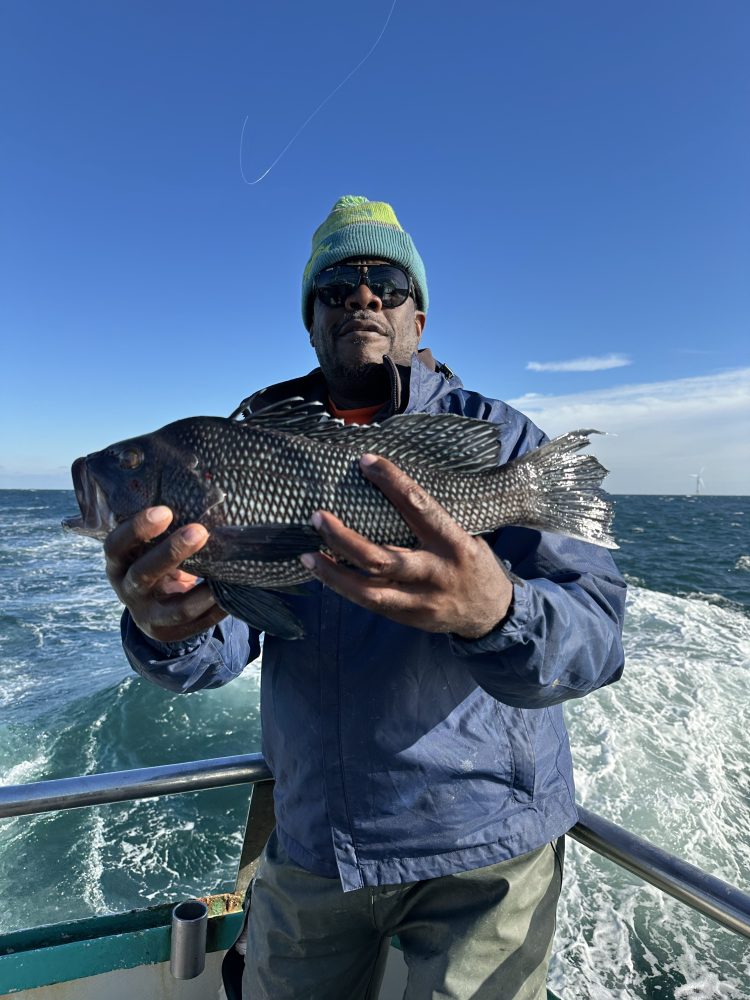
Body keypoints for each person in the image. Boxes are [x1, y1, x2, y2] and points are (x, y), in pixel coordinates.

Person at [105, 196, 626, 1000]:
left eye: (386, 279)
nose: (362, 295)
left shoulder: (500, 440)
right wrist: (165, 625)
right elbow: (218, 647)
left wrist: (496, 612)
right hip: (315, 846)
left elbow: (598, 640)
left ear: (419, 312)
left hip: (484, 852)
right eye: (335, 286)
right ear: (310, 320)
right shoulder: (254, 437)